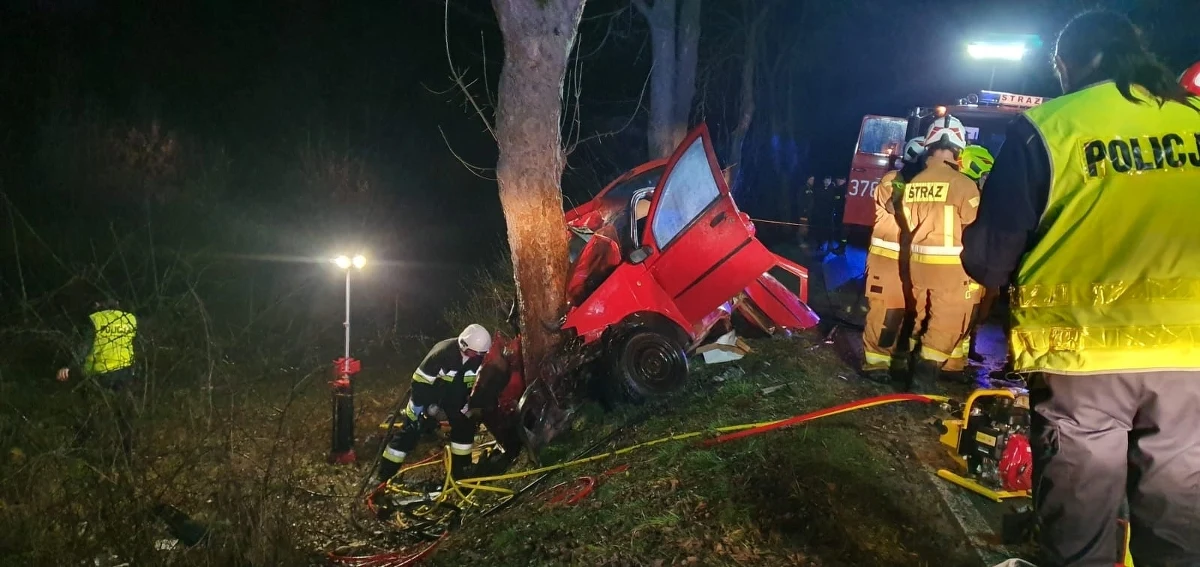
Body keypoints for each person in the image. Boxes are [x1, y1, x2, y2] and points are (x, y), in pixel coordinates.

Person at [961, 10, 1200, 566]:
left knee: (1079, 524)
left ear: (1072, 62)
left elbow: (990, 262)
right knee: (1180, 521)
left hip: (1082, 361)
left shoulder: (1048, 127)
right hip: (1191, 367)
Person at [898, 115, 982, 391]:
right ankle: (922, 386)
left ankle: (912, 370)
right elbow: (976, 228)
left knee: (922, 317)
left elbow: (909, 224)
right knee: (947, 323)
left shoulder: (914, 183)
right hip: (953, 268)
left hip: (919, 264)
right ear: (959, 147)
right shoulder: (963, 184)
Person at [374, 324, 492, 484]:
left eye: (480, 354)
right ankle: (384, 476)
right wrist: (420, 409)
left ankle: (461, 475)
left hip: (454, 401)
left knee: (464, 428)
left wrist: (468, 406)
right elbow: (420, 383)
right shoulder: (442, 353)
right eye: (473, 353)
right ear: (463, 345)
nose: (475, 357)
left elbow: (473, 384)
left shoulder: (477, 360)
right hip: (427, 399)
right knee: (410, 432)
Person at [860, 136, 924, 383]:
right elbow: (894, 206)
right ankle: (875, 363)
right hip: (886, 261)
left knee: (906, 314)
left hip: (910, 262)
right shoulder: (892, 180)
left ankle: (896, 361)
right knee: (886, 314)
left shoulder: (917, 182)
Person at [56, 298, 139, 459]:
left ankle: (85, 443)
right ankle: (127, 451)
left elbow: (85, 348)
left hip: (100, 374)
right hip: (125, 373)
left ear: (97, 304)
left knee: (87, 408)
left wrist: (68, 367)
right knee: (123, 413)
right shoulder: (130, 319)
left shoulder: (95, 320)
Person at [943, 144, 995, 375]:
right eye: (984, 173)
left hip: (972, 260)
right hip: (963, 261)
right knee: (962, 313)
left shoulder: (966, 188)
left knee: (972, 311)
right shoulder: (967, 189)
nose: (987, 179)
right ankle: (951, 363)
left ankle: (960, 358)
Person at [829, 177, 849, 254]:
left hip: (842, 214)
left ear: (843, 180)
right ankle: (841, 247)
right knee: (842, 232)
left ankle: (841, 248)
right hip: (842, 214)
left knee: (843, 232)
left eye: (839, 180)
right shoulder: (844, 188)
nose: (837, 181)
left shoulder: (842, 189)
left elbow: (838, 201)